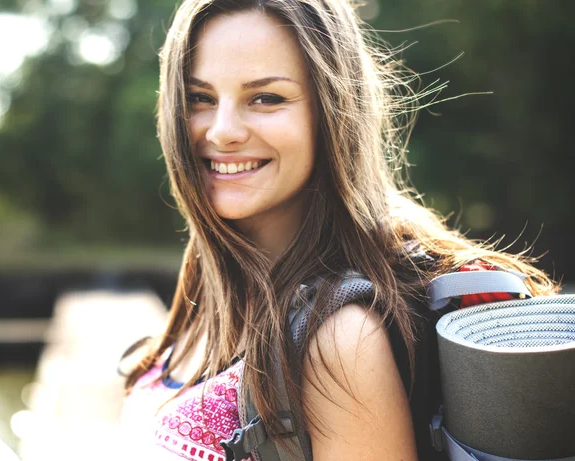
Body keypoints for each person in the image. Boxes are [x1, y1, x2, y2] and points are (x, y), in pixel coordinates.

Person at [119, 0, 558, 460]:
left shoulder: (340, 337)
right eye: (199, 99)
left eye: (266, 98)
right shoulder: (213, 278)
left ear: (332, 110)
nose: (223, 130)